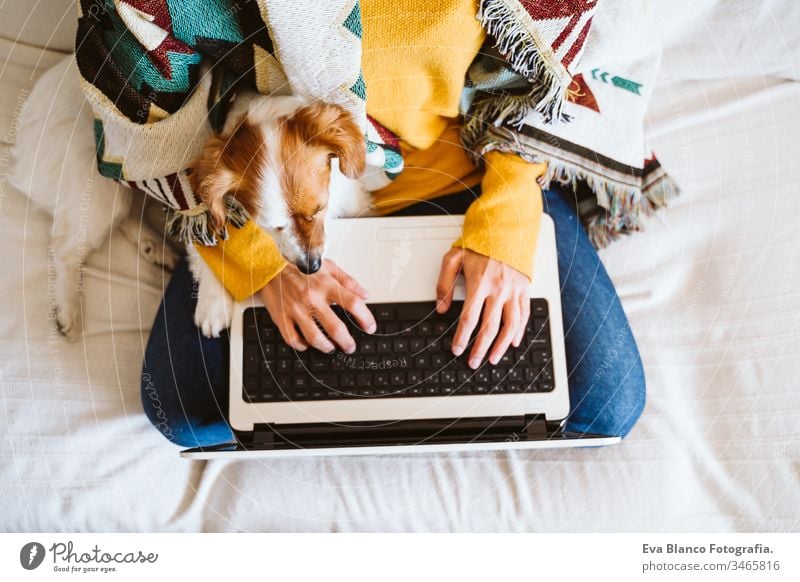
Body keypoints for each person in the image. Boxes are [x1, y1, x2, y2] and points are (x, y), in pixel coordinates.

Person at [77, 0, 667, 448]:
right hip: (266, 191)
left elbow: (546, 73)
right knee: (184, 410)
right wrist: (259, 262)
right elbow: (145, 98)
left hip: (470, 173)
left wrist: (508, 222)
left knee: (605, 404)